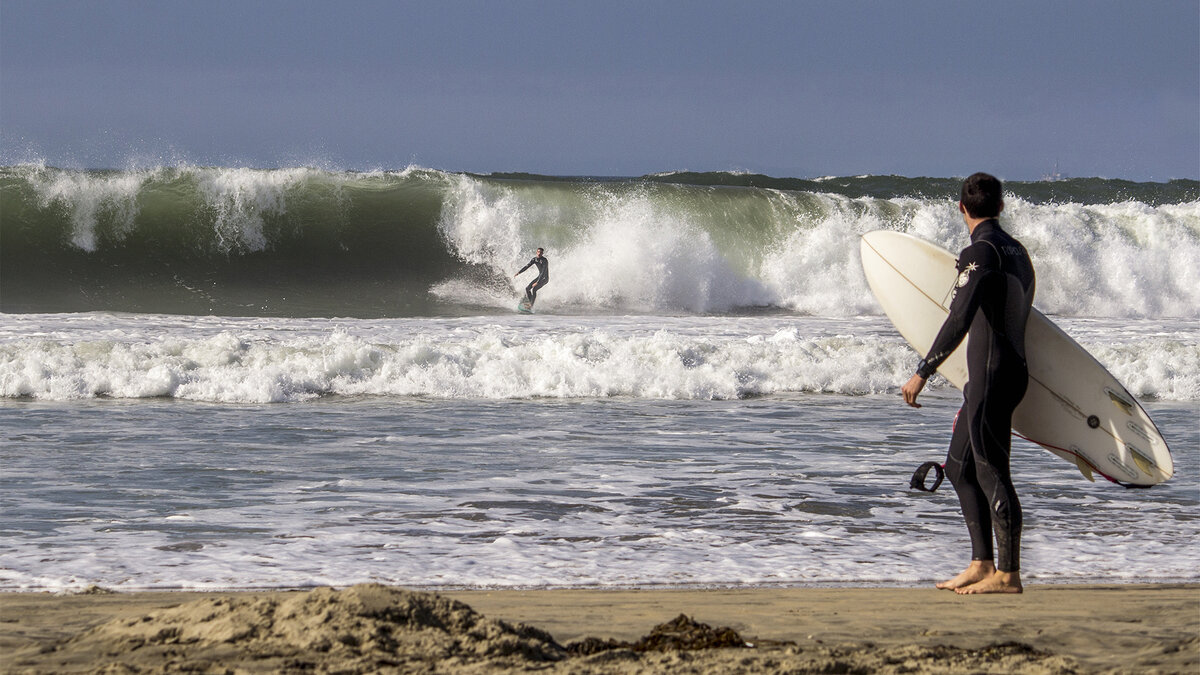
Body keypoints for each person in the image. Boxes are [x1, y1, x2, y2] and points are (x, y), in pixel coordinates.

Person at [901, 172, 1036, 595]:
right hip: (1005, 371)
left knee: (992, 470)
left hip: (993, 375)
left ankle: (1008, 575)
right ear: (1001, 206)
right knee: (960, 467)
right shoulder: (1018, 252)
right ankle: (982, 563)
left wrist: (923, 371)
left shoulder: (979, 252)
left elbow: (959, 316)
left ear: (961, 208)